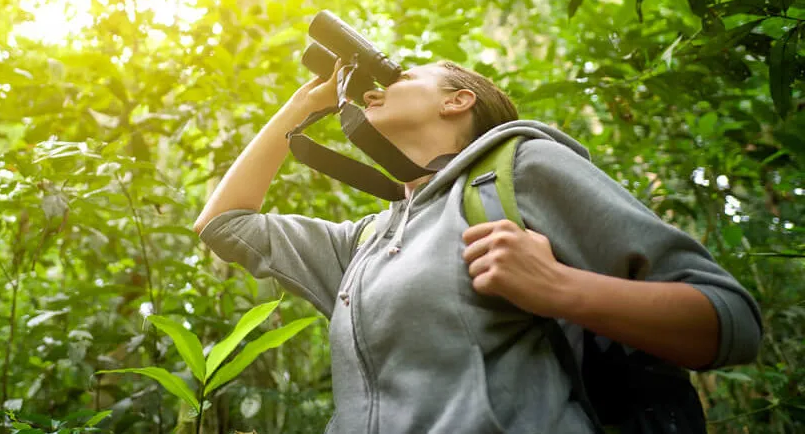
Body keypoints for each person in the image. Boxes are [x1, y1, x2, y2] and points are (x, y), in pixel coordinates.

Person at [193, 60, 762, 433]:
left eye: (404, 74)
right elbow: (223, 223)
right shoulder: (366, 241)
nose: (375, 88)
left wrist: (560, 288)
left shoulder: (522, 168)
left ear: (457, 101)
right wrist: (301, 108)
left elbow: (730, 322)